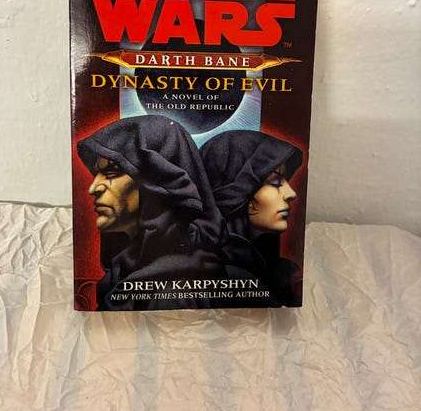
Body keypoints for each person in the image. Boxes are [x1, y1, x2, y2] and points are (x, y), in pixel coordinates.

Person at [77, 115, 227, 310]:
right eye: (97, 174)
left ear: (155, 186)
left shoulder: (174, 296)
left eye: (111, 173)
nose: (93, 188)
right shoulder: (124, 271)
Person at [199, 130, 303, 307]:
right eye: (275, 182)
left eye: (286, 180)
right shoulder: (225, 279)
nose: (291, 193)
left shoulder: (280, 273)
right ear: (239, 194)